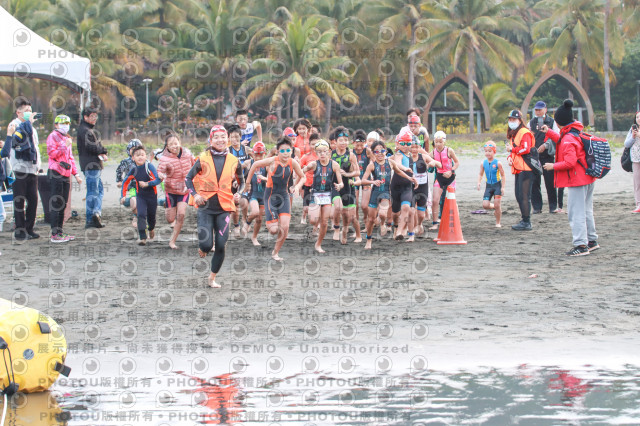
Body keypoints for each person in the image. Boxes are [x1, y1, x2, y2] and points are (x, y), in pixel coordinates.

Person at [185, 125, 245, 287]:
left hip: (224, 207)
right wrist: (195, 195)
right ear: (211, 140)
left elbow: (242, 182)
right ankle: (204, 248)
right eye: (216, 137)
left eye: (223, 137)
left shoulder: (234, 161)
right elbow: (188, 179)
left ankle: (212, 278)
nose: (220, 140)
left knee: (221, 244)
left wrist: (239, 193)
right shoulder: (203, 158)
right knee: (206, 245)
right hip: (205, 206)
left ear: (227, 139)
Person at [540, 99, 599, 256]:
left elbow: (570, 162)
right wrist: (549, 132)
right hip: (588, 177)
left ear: (559, 122)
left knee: (576, 212)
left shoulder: (568, 138)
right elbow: (561, 139)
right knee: (586, 210)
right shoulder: (576, 131)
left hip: (577, 180)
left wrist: (553, 166)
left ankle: (581, 245)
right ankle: (591, 241)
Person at [246, 137, 304, 261]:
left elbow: (303, 177)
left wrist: (297, 186)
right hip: (270, 196)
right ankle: (273, 219)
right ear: (277, 151)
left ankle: (275, 252)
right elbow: (255, 164)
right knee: (273, 230)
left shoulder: (293, 162)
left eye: (288, 150)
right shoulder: (272, 161)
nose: (285, 153)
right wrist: (247, 183)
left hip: (284, 196)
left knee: (285, 227)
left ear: (291, 151)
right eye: (282, 151)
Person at [361, 140, 415, 250]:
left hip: (386, 192)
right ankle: (369, 239)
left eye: (382, 151)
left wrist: (409, 178)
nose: (380, 153)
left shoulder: (390, 163)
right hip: (375, 193)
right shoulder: (371, 165)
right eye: (376, 151)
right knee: (371, 220)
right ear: (373, 153)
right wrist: (372, 182)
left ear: (385, 151)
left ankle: (383, 223)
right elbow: (363, 180)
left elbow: (398, 171)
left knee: (382, 213)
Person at [0, 100, 42, 240]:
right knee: (19, 201)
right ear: (18, 113)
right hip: (19, 169)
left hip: (32, 169)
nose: (30, 113)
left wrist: (38, 165)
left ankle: (29, 228)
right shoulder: (15, 125)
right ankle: (20, 230)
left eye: (30, 110)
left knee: (33, 200)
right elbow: (16, 142)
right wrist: (28, 123)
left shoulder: (32, 128)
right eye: (26, 111)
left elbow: (35, 148)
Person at [301, 139, 344, 253]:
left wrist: (339, 186)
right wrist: (299, 181)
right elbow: (301, 171)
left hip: (327, 194)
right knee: (313, 220)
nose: (322, 154)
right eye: (319, 152)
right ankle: (318, 219)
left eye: (324, 151)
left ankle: (318, 244)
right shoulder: (314, 164)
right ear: (316, 153)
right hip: (315, 193)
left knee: (325, 223)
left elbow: (341, 182)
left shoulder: (334, 165)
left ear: (329, 152)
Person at [46, 115, 82, 243]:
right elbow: (52, 153)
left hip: (66, 174)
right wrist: (63, 145)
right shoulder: (53, 136)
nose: (65, 126)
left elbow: (70, 157)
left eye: (67, 123)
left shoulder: (67, 138)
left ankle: (60, 231)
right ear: (56, 125)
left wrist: (76, 174)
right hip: (56, 172)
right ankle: (54, 234)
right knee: (56, 203)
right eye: (62, 123)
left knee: (63, 204)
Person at [156, 133, 196, 249]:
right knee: (170, 219)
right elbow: (160, 170)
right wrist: (160, 175)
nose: (174, 146)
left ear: (180, 142)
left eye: (175, 143)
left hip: (184, 190)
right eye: (171, 144)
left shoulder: (187, 154)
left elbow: (195, 166)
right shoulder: (165, 158)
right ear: (167, 146)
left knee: (181, 214)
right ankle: (166, 204)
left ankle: (172, 241)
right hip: (171, 190)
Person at [121, 146, 161, 246]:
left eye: (142, 155)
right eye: (137, 155)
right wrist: (123, 195)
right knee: (141, 214)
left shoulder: (149, 166)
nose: (140, 157)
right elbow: (125, 182)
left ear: (145, 156)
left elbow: (158, 180)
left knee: (151, 217)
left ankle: (151, 229)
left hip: (152, 196)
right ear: (133, 158)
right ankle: (142, 237)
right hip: (141, 196)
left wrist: (148, 184)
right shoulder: (134, 170)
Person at [77, 107, 108, 229]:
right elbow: (92, 147)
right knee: (93, 192)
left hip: (92, 165)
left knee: (99, 190)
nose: (95, 118)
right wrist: (103, 151)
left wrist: (101, 151)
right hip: (91, 165)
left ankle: (96, 214)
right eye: (92, 116)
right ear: (85, 117)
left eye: (96, 116)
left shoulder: (87, 129)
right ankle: (91, 218)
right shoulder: (85, 130)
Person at [330, 127, 361, 244]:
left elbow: (357, 172)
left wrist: (347, 174)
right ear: (335, 141)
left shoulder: (351, 155)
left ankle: (356, 235)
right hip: (335, 185)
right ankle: (336, 228)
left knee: (351, 216)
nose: (344, 143)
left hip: (348, 187)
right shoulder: (330, 154)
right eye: (341, 140)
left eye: (346, 140)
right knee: (338, 208)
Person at [529, 101, 561, 214]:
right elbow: (528, 137)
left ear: (545, 110)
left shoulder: (552, 122)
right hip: (534, 156)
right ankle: (537, 207)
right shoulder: (531, 123)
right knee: (534, 182)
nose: (538, 112)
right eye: (536, 110)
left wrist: (546, 145)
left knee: (550, 182)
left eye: (540, 109)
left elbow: (557, 137)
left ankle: (553, 206)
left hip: (547, 155)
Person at [506, 109, 535, 231]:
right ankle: (524, 219)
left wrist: (512, 150)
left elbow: (526, 149)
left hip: (526, 169)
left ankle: (527, 222)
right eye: (510, 119)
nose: (511, 121)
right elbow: (514, 150)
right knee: (519, 195)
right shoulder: (515, 133)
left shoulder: (524, 132)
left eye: (514, 119)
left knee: (524, 196)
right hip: (519, 168)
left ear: (519, 120)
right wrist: (509, 158)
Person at [390, 129, 419, 240]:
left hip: (407, 187)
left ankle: (399, 232)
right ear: (398, 144)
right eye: (403, 143)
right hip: (396, 187)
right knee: (395, 213)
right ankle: (396, 227)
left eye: (408, 143)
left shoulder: (411, 155)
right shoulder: (399, 154)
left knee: (406, 208)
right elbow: (397, 164)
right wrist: (405, 168)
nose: (405, 146)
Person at [409, 135, 438, 239]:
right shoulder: (406, 158)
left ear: (419, 147)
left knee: (421, 215)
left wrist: (432, 163)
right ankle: (411, 233)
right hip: (411, 187)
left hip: (423, 187)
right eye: (412, 147)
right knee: (411, 211)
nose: (414, 149)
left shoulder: (423, 157)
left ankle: (419, 224)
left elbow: (436, 162)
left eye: (416, 147)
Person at [429, 130, 459, 230]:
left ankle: (453, 221)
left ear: (444, 142)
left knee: (450, 201)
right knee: (435, 200)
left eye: (440, 142)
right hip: (439, 177)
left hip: (450, 177)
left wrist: (451, 171)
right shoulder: (433, 152)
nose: (438, 144)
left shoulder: (449, 151)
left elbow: (457, 162)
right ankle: (435, 223)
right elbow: (425, 159)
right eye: (436, 142)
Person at [227, 124, 252, 236]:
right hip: (232, 182)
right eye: (232, 137)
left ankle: (245, 220)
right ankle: (236, 226)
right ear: (229, 138)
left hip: (244, 181)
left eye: (237, 137)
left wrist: (250, 162)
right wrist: (234, 178)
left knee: (245, 204)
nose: (234, 139)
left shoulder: (246, 149)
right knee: (235, 206)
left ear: (241, 136)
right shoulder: (227, 151)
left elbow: (258, 158)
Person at [241, 141, 267, 246]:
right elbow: (237, 170)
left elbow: (273, 178)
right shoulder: (249, 163)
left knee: (259, 219)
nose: (258, 157)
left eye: (261, 155)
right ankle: (247, 223)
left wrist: (264, 178)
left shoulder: (267, 164)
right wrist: (237, 181)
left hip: (263, 194)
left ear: (264, 154)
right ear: (253, 153)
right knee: (255, 212)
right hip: (252, 193)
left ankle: (254, 237)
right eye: (256, 155)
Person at [476, 141, 506, 227]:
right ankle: (496, 208)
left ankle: (498, 223)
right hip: (488, 186)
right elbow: (480, 174)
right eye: (486, 151)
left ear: (494, 151)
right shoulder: (483, 163)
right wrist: (479, 182)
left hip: (497, 185)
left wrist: (503, 187)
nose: (487, 153)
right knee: (485, 205)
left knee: (497, 204)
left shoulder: (498, 163)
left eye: (490, 151)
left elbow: (503, 175)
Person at [117, 139, 143, 228]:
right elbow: (119, 170)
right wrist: (119, 180)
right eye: (132, 149)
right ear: (128, 150)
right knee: (134, 202)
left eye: (137, 148)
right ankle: (135, 216)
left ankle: (140, 216)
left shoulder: (143, 160)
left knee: (142, 202)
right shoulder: (126, 161)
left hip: (143, 186)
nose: (135, 150)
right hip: (131, 186)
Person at [353, 130, 373, 235]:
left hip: (365, 180)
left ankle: (366, 221)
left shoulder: (368, 151)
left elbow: (374, 163)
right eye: (357, 145)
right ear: (353, 143)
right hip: (354, 180)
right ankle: (356, 228)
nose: (359, 148)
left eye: (362, 145)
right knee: (355, 205)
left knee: (365, 206)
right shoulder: (351, 152)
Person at [299, 133, 319, 225]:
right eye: (312, 144)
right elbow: (299, 169)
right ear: (309, 145)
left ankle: (318, 222)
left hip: (318, 185)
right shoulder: (306, 157)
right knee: (306, 207)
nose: (314, 146)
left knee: (317, 204)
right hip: (307, 184)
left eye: (316, 144)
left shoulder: (322, 156)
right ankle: (303, 217)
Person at [624, 111, 640, 213]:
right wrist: (633, 137)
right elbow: (626, 144)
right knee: (637, 183)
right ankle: (638, 204)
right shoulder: (633, 129)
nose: (639, 119)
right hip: (636, 159)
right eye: (637, 117)